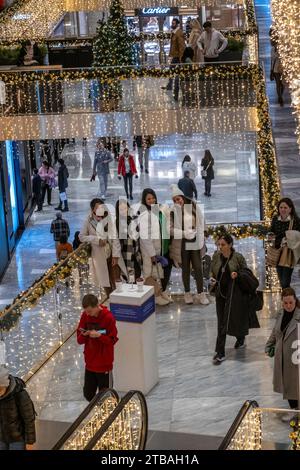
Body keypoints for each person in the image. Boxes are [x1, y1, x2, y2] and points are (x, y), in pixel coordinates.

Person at [210, 233, 248, 365]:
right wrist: (212, 278)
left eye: (223, 245)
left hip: (234, 295)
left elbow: (246, 273)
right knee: (221, 322)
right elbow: (212, 271)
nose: (220, 247)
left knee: (234, 319)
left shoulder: (238, 257)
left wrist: (237, 274)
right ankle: (220, 352)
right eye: (219, 244)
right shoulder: (216, 256)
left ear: (230, 245)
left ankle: (241, 338)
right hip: (220, 294)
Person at [170, 185, 209, 306]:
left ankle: (201, 293)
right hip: (182, 243)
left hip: (195, 240)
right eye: (175, 200)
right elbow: (170, 229)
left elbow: (202, 220)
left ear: (182, 197)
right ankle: (187, 293)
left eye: (179, 198)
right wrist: (183, 233)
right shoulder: (172, 211)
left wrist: (203, 232)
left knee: (198, 267)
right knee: (185, 268)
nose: (178, 201)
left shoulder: (193, 205)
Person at [77, 294, 118, 402]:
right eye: (86, 311)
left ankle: (108, 415)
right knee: (88, 394)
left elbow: (112, 340)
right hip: (90, 363)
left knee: (106, 397)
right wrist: (84, 335)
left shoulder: (108, 318)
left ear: (97, 306)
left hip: (104, 364)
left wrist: (99, 336)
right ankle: (99, 412)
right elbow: (79, 340)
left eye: (90, 311)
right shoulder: (85, 316)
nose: (87, 314)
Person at [265, 288, 300, 415]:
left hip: (296, 357)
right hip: (282, 355)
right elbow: (276, 332)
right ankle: (294, 409)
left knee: (295, 385)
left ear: (295, 301)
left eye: (291, 302)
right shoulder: (280, 314)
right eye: (285, 303)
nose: (288, 306)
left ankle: (297, 410)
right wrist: (269, 344)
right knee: (287, 385)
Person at [139, 188, 173, 306]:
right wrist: (152, 253)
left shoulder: (155, 211)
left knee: (158, 273)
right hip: (149, 251)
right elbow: (145, 238)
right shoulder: (144, 215)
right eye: (148, 198)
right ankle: (156, 297)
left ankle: (161, 292)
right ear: (144, 200)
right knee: (150, 274)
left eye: (153, 197)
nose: (152, 200)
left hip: (158, 249)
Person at [79, 198, 115, 297]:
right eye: (97, 207)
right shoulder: (89, 220)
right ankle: (110, 301)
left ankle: (117, 302)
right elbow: (81, 237)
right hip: (99, 255)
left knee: (115, 279)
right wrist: (96, 240)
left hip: (111, 253)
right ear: (92, 209)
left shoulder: (108, 217)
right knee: (105, 282)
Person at [0, 365, 36, 450]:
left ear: (6, 384)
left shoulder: (20, 394)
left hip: (17, 440)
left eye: (0, 389)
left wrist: (30, 442)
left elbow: (29, 420)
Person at [269, 198, 300, 288]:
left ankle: (288, 299)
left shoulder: (296, 221)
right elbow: (272, 231)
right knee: (281, 278)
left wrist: (289, 237)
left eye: (285, 207)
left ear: (290, 209)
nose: (283, 209)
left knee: (285, 281)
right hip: (278, 252)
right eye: (281, 207)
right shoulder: (275, 219)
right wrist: (270, 235)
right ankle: (288, 298)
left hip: (289, 253)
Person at [112, 199, 141, 282]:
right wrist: (116, 255)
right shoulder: (117, 223)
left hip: (136, 253)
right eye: (121, 209)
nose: (124, 211)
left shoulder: (135, 219)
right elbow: (116, 240)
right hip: (125, 253)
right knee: (127, 276)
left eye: (125, 208)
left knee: (138, 274)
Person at [162, 18, 186, 100]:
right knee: (172, 70)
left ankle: (175, 89)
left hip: (178, 56)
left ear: (177, 24)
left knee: (175, 72)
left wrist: (181, 58)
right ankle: (170, 86)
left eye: (174, 23)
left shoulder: (178, 33)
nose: (172, 25)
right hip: (175, 55)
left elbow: (182, 46)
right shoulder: (174, 32)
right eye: (172, 23)